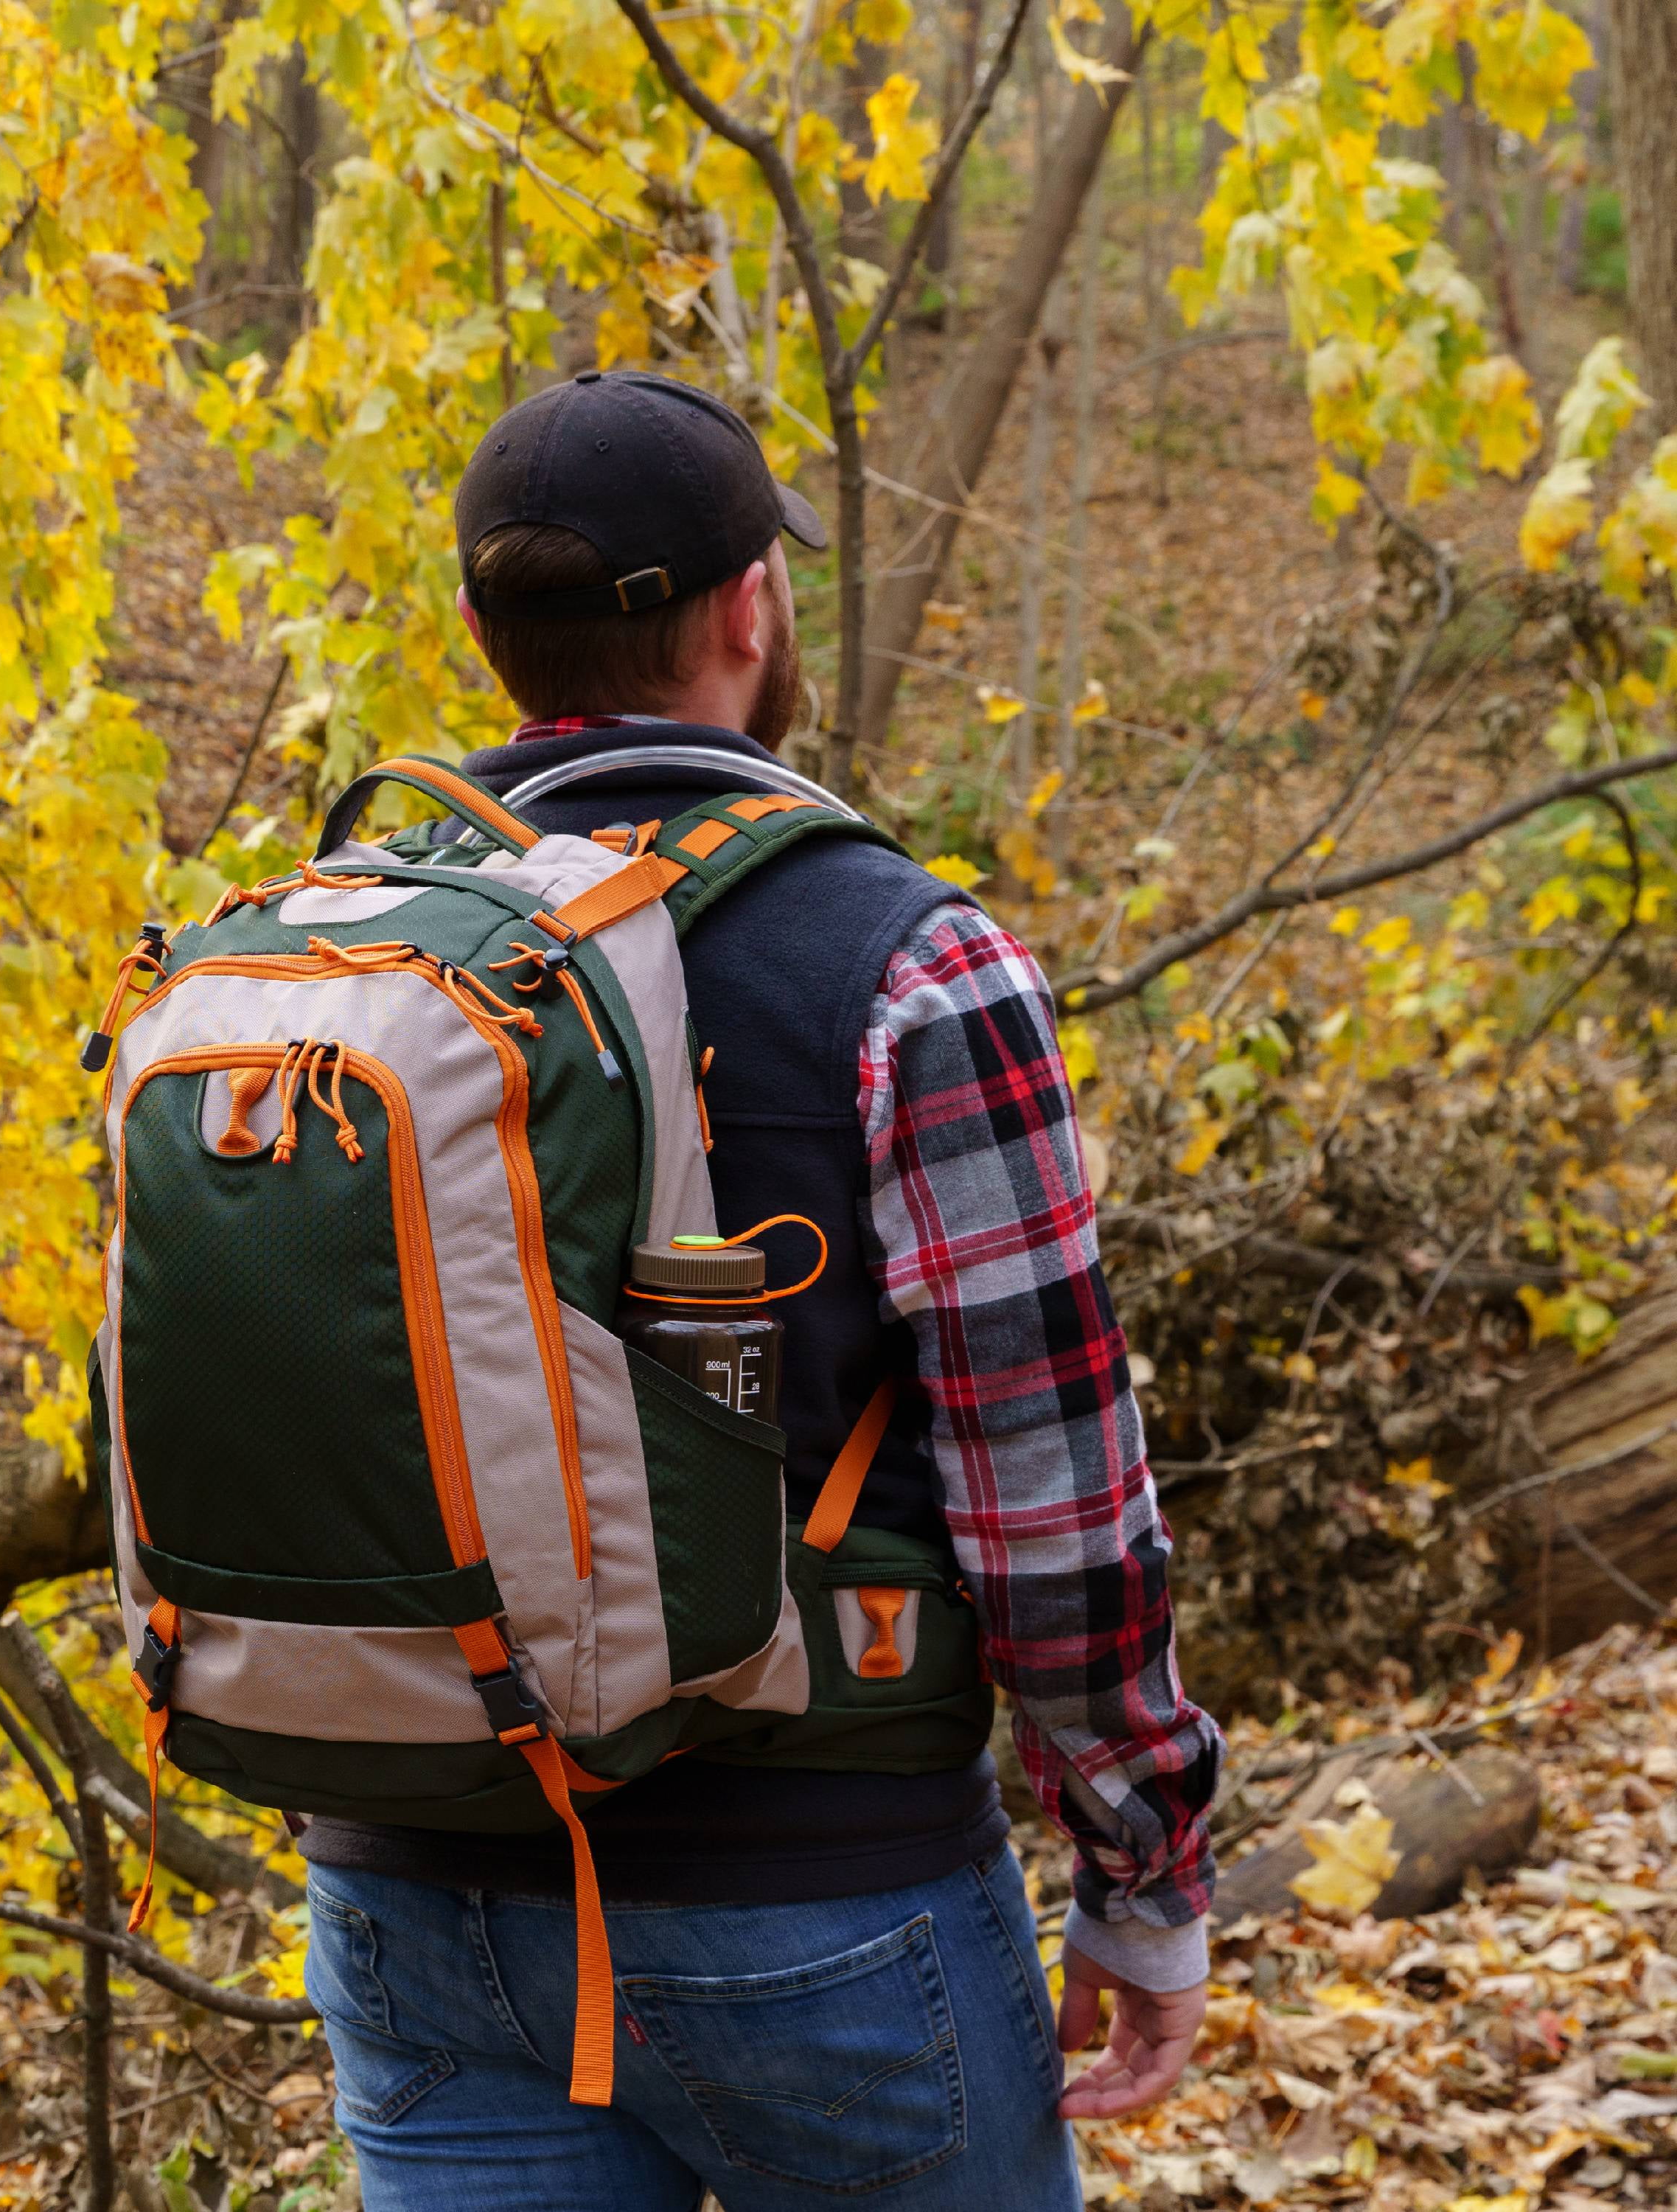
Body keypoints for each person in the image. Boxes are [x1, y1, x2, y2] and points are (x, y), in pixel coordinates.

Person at [295, 369, 1225, 2211]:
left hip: (415, 1892)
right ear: (751, 609)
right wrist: (1146, 1870)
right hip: (824, 1896)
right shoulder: (913, 965)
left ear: (487, 638)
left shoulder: (333, 942)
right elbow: (1050, 1493)